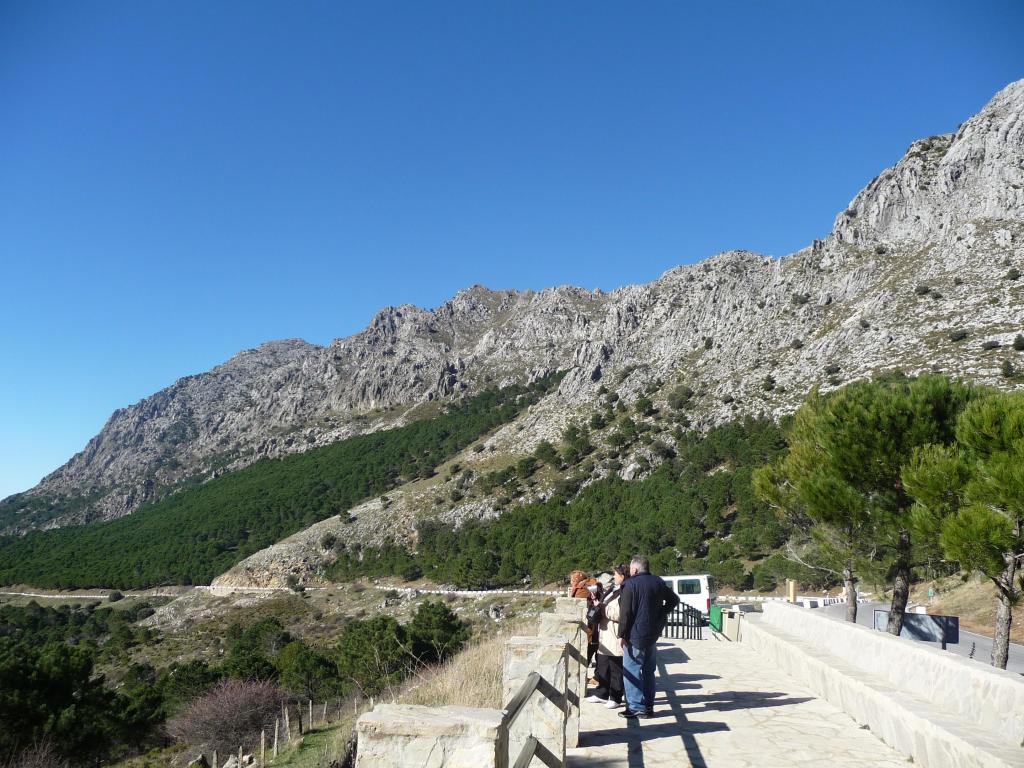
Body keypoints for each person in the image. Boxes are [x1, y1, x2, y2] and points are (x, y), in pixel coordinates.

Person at [617, 554, 679, 719]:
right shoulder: (658, 582)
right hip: (652, 634)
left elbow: (625, 614)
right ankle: (649, 706)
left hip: (635, 636)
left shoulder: (630, 584)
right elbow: (674, 599)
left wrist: (621, 635)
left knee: (631, 670)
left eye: (630, 568)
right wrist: (660, 613)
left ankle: (637, 707)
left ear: (635, 569)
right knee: (649, 671)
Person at [585, 564, 628, 708]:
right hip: (604, 633)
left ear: (622, 576)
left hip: (613, 632)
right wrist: (597, 601)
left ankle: (616, 697)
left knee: (616, 667)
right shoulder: (613, 589)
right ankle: (602, 693)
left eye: (616, 574)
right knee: (603, 665)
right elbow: (604, 604)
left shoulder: (625, 591)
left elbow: (619, 614)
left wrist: (601, 607)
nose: (614, 577)